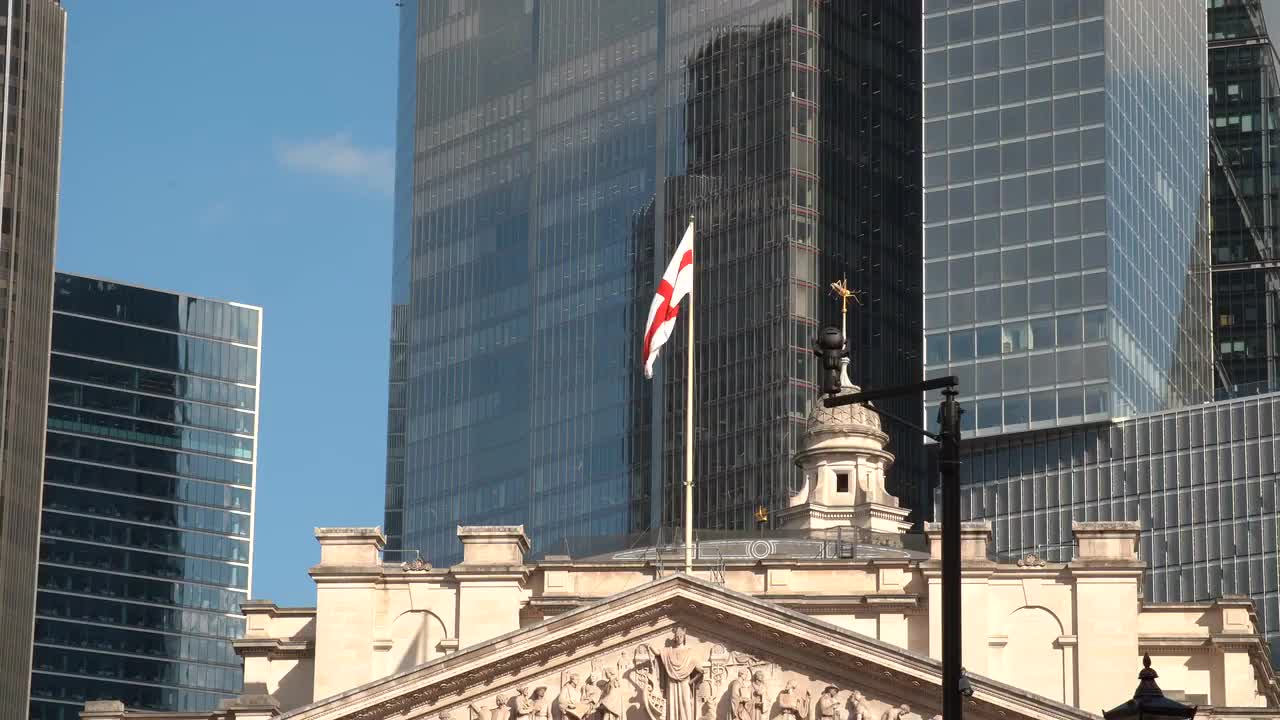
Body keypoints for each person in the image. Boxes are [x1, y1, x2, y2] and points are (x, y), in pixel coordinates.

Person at [654, 627, 703, 720]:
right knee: (672, 703)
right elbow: (657, 653)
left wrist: (693, 680)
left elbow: (701, 671)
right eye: (677, 636)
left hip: (685, 683)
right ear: (674, 637)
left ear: (684, 637)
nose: (679, 638)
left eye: (681, 636)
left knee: (685, 703)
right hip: (672, 682)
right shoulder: (669, 651)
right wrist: (647, 646)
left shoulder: (689, 652)